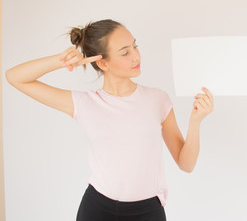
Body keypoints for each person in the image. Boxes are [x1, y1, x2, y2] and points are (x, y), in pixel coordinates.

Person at [5, 19, 214, 221]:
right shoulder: (85, 103)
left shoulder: (157, 99)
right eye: (125, 52)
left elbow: (186, 165)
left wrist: (195, 122)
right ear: (102, 62)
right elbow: (15, 77)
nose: (136, 56)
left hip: (148, 211)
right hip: (97, 209)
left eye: (135, 46)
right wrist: (62, 60)